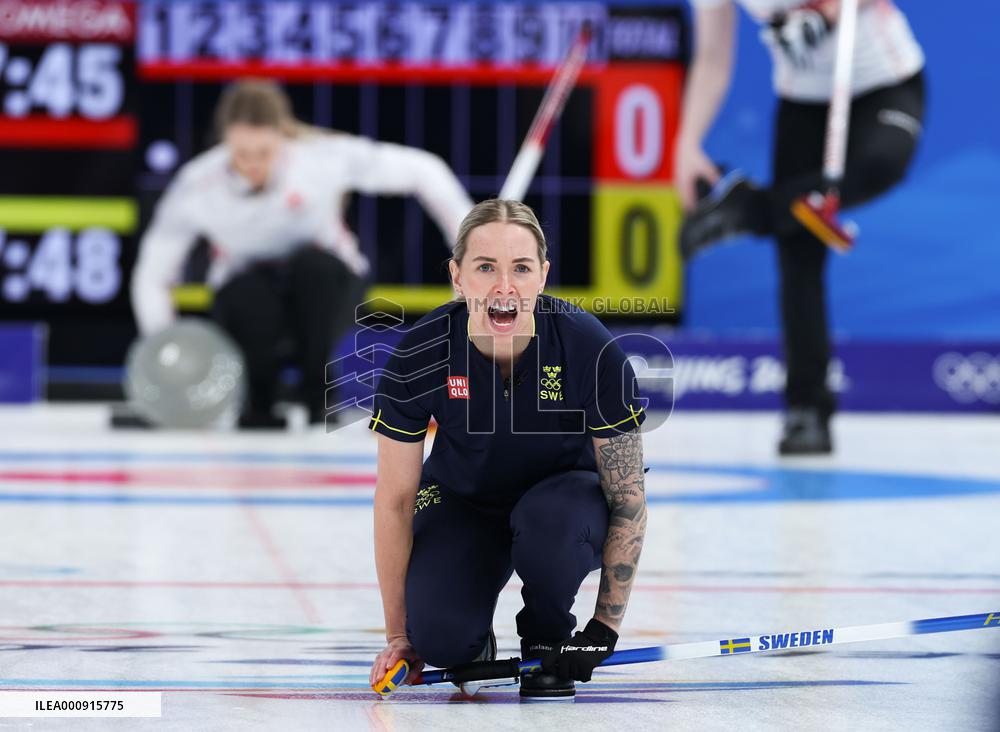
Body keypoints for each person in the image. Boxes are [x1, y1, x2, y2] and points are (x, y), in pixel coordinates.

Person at [366, 199, 648, 700]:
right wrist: (399, 636)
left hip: (562, 507)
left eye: (520, 268)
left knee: (549, 525)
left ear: (543, 275)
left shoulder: (588, 347)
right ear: (457, 277)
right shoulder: (419, 354)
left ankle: (546, 634)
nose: (504, 286)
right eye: (485, 267)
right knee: (440, 637)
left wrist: (602, 630)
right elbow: (395, 501)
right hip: (464, 502)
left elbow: (627, 497)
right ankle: (470, 641)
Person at [131, 80, 473, 428]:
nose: (252, 164)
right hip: (247, 295)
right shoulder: (197, 184)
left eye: (263, 152)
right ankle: (258, 397)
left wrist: (471, 249)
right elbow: (153, 273)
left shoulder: (321, 157)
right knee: (247, 293)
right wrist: (163, 353)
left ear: (281, 137)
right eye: (241, 154)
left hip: (325, 288)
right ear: (225, 142)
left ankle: (319, 392)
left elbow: (425, 171)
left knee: (315, 270)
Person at [676, 0, 925, 454]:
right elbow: (712, 57)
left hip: (884, 82)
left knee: (879, 167)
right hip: (802, 103)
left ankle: (748, 209)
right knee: (799, 257)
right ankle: (806, 410)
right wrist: (686, 143)